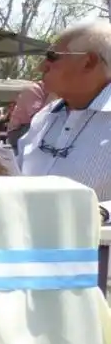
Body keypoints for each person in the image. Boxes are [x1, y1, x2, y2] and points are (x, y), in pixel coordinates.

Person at [7, 21, 111, 292]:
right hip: (24, 262)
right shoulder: (46, 115)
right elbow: (20, 171)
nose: (43, 66)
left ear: (88, 62)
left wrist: (99, 212)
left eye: (52, 57)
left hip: (93, 275)